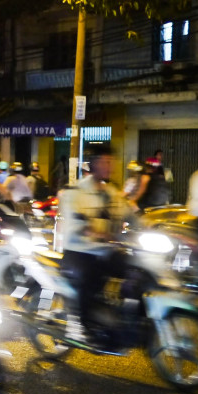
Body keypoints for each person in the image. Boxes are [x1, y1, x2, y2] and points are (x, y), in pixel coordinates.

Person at [57, 143, 136, 348]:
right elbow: (80, 226)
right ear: (92, 164)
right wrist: (102, 235)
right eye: (105, 161)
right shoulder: (75, 192)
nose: (110, 166)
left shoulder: (112, 192)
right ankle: (84, 327)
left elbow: (130, 214)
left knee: (137, 269)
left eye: (111, 161)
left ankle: (126, 317)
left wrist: (154, 227)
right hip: (80, 252)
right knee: (89, 279)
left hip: (105, 250)